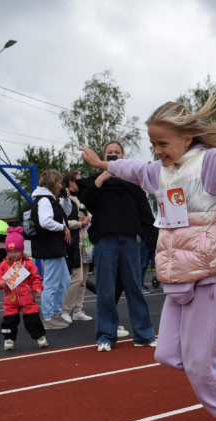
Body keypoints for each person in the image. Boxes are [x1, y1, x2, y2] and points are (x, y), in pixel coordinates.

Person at [79, 89, 216, 421]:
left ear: (186, 138)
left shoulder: (208, 165)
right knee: (167, 355)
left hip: (206, 274)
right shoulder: (158, 172)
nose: (156, 150)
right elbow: (133, 168)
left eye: (162, 143)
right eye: (152, 144)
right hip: (176, 277)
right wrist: (103, 165)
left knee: (197, 362)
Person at [77, 141, 157, 351]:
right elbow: (85, 202)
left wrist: (152, 241)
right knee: (105, 290)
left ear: (123, 156)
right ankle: (105, 336)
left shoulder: (133, 182)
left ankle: (144, 335)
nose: (113, 155)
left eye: (117, 152)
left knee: (134, 288)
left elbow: (145, 213)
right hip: (105, 241)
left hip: (131, 240)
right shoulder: (94, 180)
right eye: (109, 153)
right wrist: (103, 176)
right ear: (103, 157)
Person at [30, 169, 72, 330]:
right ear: (52, 183)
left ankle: (55, 313)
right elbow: (46, 221)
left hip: (55, 245)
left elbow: (66, 213)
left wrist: (66, 199)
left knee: (64, 281)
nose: (61, 185)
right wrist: (63, 228)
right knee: (51, 283)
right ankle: (48, 317)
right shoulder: (44, 200)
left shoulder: (51, 200)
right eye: (59, 182)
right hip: (49, 245)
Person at [0, 227, 48, 350]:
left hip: (27, 299)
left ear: (22, 251)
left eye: (16, 251)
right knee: (9, 321)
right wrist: (0, 283)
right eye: (10, 252)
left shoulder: (28, 264)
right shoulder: (3, 265)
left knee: (33, 319)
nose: (13, 254)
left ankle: (40, 337)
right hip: (10, 300)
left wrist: (37, 288)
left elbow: (35, 278)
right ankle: (9, 339)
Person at [59, 171, 93, 324]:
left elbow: (90, 215)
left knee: (83, 279)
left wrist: (88, 219)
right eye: (78, 181)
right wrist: (80, 223)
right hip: (74, 242)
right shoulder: (63, 199)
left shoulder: (83, 198)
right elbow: (64, 222)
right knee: (77, 277)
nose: (81, 183)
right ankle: (65, 310)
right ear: (71, 182)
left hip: (87, 241)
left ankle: (78, 309)